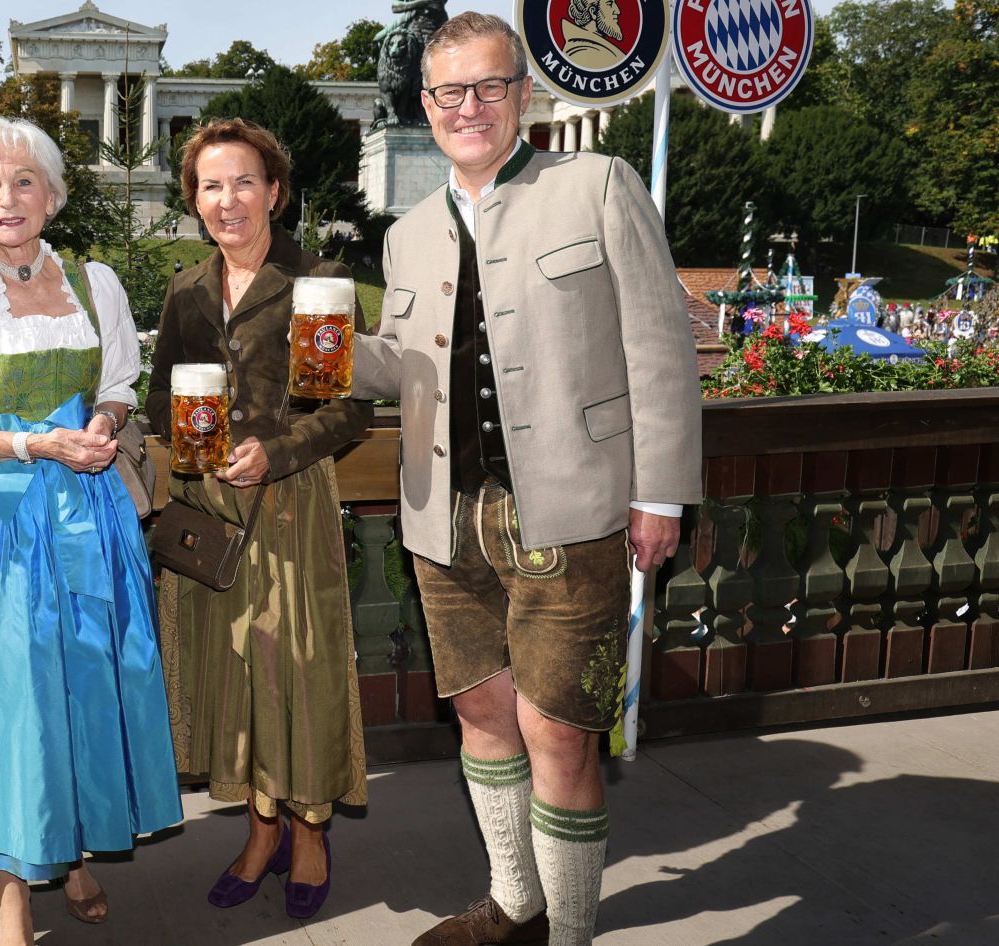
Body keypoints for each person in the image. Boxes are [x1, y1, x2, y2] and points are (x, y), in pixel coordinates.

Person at [350, 13, 702, 946]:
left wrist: (660, 494)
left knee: (559, 734)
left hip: (571, 510)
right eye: (449, 92)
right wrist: (338, 355)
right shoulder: (408, 233)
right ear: (425, 107)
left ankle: (573, 931)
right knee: (479, 712)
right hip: (442, 517)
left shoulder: (597, 185)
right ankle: (514, 903)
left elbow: (661, 350)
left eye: (489, 86)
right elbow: (403, 362)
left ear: (524, 96)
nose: (469, 107)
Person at [0, 115, 182, 946]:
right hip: (0, 518)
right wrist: (35, 441)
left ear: (53, 195)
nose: (7, 197)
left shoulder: (96, 281)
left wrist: (99, 420)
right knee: (18, 699)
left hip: (91, 511)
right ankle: (14, 892)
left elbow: (126, 380)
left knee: (85, 681)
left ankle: (75, 854)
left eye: (23, 181)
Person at [147, 118, 375, 922]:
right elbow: (159, 408)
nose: (228, 199)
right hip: (208, 513)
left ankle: (308, 833)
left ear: (274, 191)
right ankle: (258, 830)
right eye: (211, 185)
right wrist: (173, 448)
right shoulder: (186, 289)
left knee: (296, 675)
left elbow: (345, 410)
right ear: (194, 200)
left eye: (244, 181)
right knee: (235, 675)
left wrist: (274, 451)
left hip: (287, 504)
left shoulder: (317, 279)